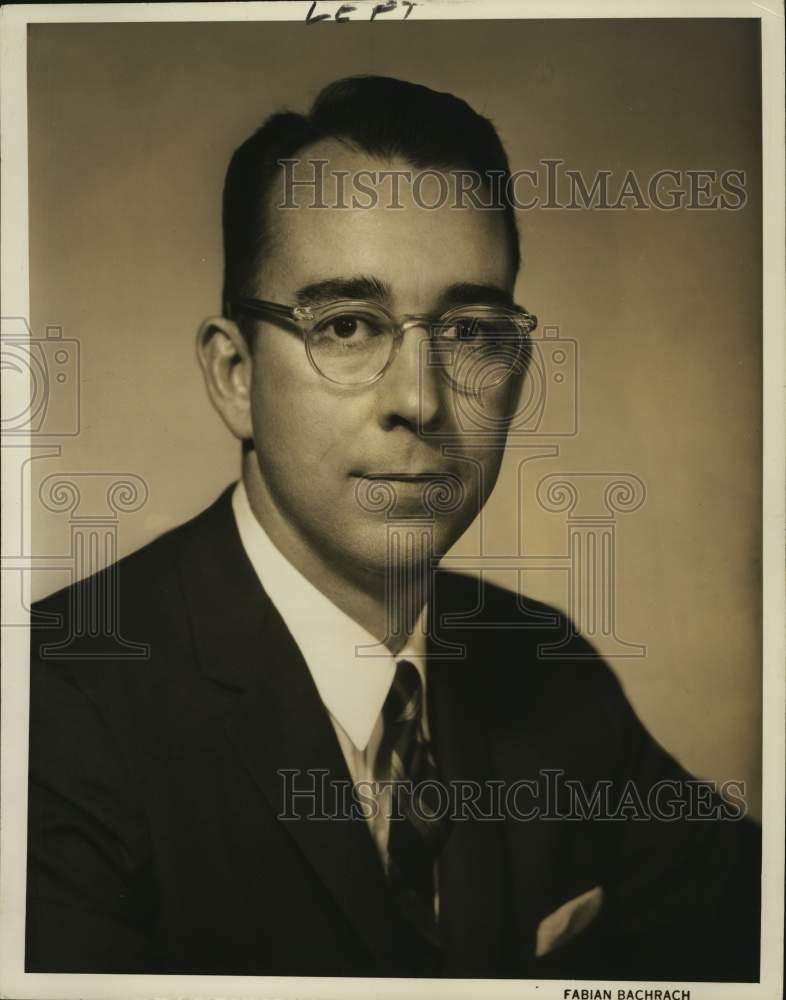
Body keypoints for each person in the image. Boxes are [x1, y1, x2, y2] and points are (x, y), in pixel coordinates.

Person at [26, 75, 760, 980]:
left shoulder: (547, 670)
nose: (419, 399)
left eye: (472, 333)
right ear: (235, 375)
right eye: (346, 326)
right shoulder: (55, 710)